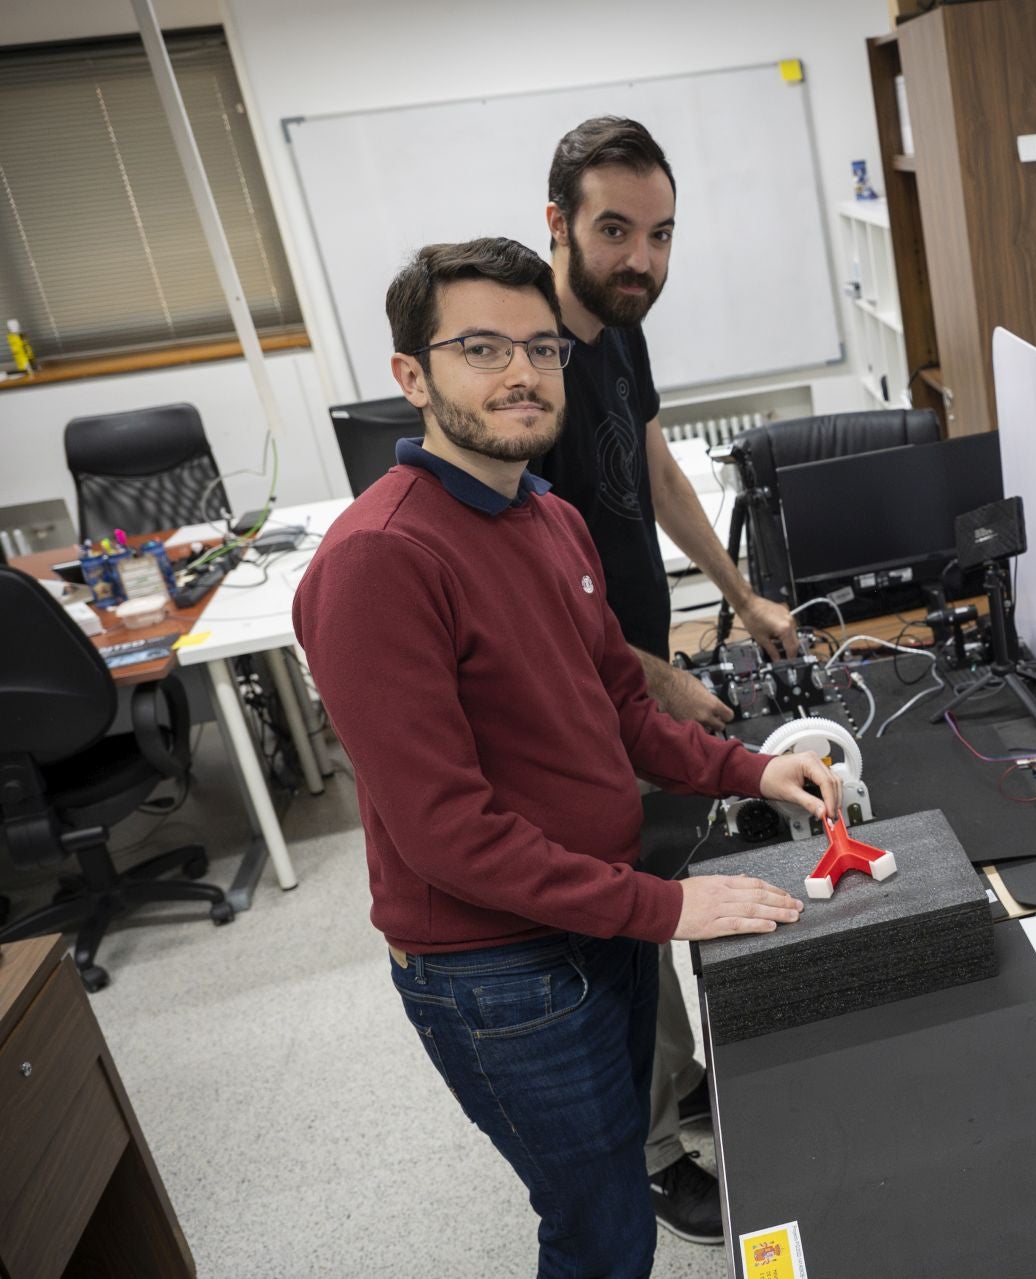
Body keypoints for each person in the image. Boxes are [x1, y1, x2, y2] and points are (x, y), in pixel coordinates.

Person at [293, 237, 840, 1278]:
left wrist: (747, 767)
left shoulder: (548, 516)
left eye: (541, 349)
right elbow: (446, 835)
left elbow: (622, 711)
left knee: (613, 1206)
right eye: (483, 349)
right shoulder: (379, 563)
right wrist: (669, 909)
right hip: (502, 972)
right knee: (598, 1232)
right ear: (411, 375)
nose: (522, 374)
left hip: (601, 914)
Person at [532, 115, 797, 1245]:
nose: (643, 257)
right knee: (614, 921)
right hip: (577, 694)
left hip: (635, 669)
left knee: (656, 885)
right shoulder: (529, 367)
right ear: (558, 224)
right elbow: (534, 591)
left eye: (661, 233)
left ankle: (679, 1080)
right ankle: (647, 1158)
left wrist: (738, 595)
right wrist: (652, 682)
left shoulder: (619, 335)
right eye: (614, 230)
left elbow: (655, 476)